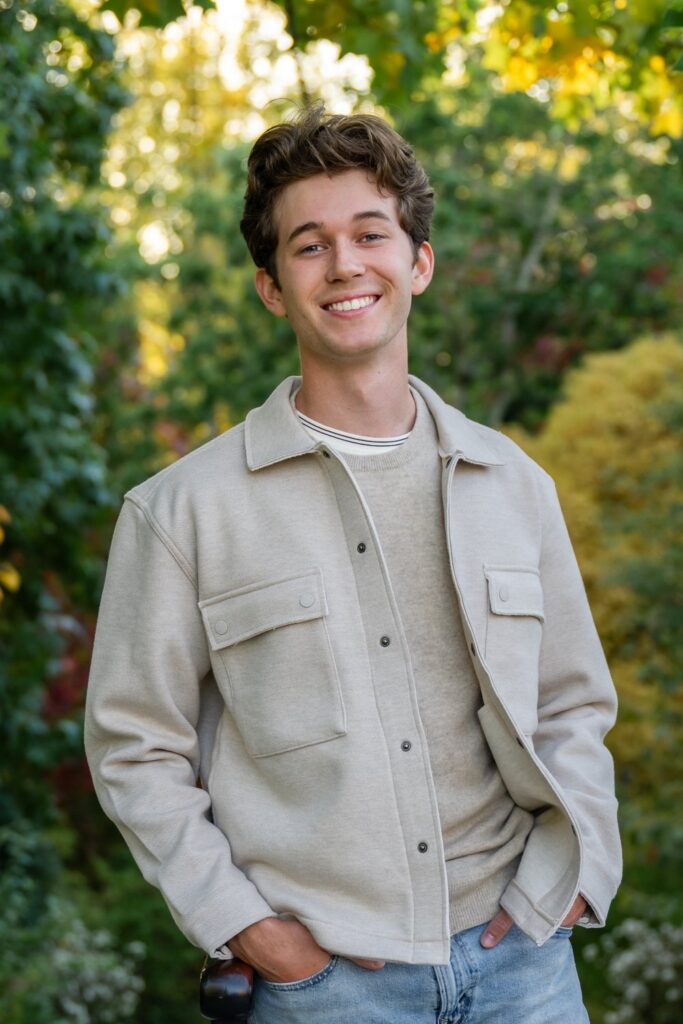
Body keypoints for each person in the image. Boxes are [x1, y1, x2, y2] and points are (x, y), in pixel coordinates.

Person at [85, 106, 621, 1023]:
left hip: (525, 963)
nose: (344, 265)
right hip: (326, 984)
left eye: (370, 234)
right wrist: (251, 931)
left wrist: (573, 875)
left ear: (418, 262)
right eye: (308, 245)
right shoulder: (180, 512)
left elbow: (572, 703)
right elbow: (136, 750)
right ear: (269, 286)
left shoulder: (512, 483)